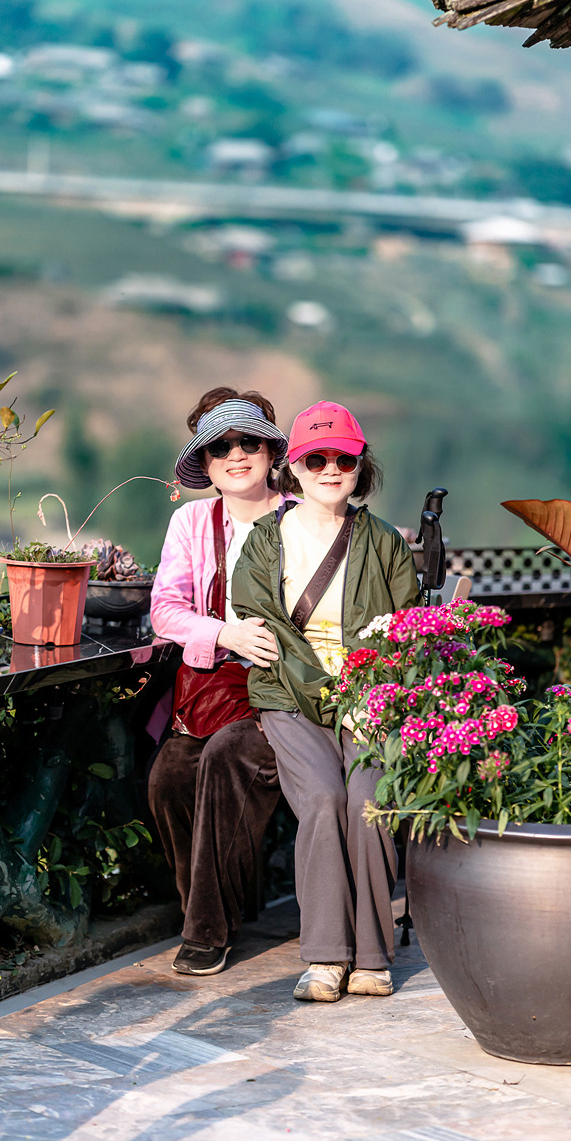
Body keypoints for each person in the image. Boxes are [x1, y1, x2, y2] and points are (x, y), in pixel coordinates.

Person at [231, 400, 420, 1003]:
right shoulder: (265, 542)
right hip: (291, 695)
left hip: (371, 697)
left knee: (367, 801)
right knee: (321, 798)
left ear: (360, 466)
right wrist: (334, 697)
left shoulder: (383, 542)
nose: (331, 469)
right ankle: (325, 955)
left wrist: (372, 696)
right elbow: (264, 625)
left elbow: (404, 632)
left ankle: (372, 956)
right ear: (293, 467)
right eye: (317, 459)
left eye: (344, 458)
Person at [148, 388, 288, 976]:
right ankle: (212, 910)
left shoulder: (302, 516)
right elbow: (164, 609)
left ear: (271, 452)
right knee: (170, 778)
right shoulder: (190, 520)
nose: (236, 455)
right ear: (204, 464)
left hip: (284, 693)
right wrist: (225, 633)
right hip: (212, 690)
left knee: (229, 758)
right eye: (220, 447)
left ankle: (207, 931)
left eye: (248, 442)